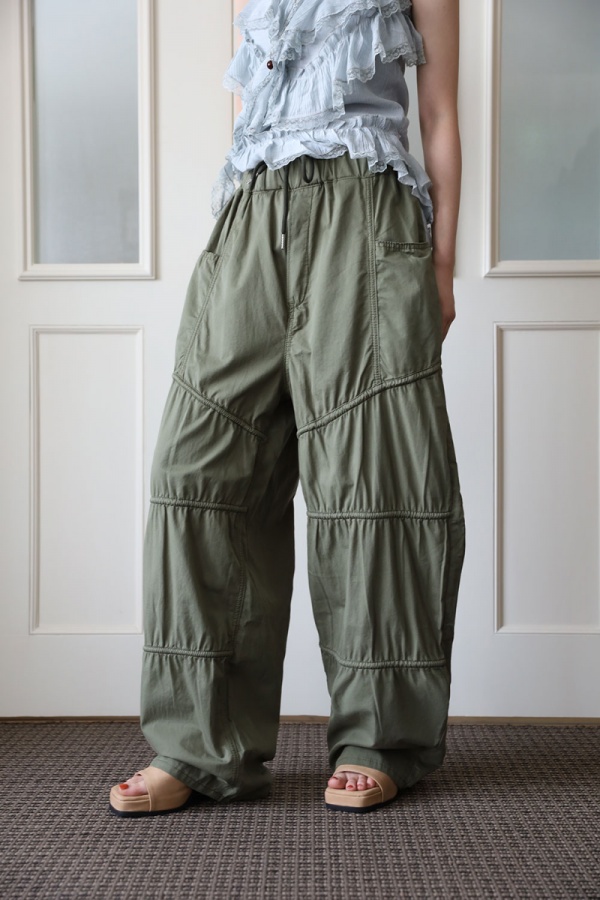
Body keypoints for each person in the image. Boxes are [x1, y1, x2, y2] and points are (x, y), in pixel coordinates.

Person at [109, 0, 465, 817]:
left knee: (372, 482)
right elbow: (255, 98)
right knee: (198, 474)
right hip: (251, 214)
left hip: (365, 209)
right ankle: (198, 743)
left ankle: (379, 737)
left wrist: (441, 267)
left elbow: (441, 113)